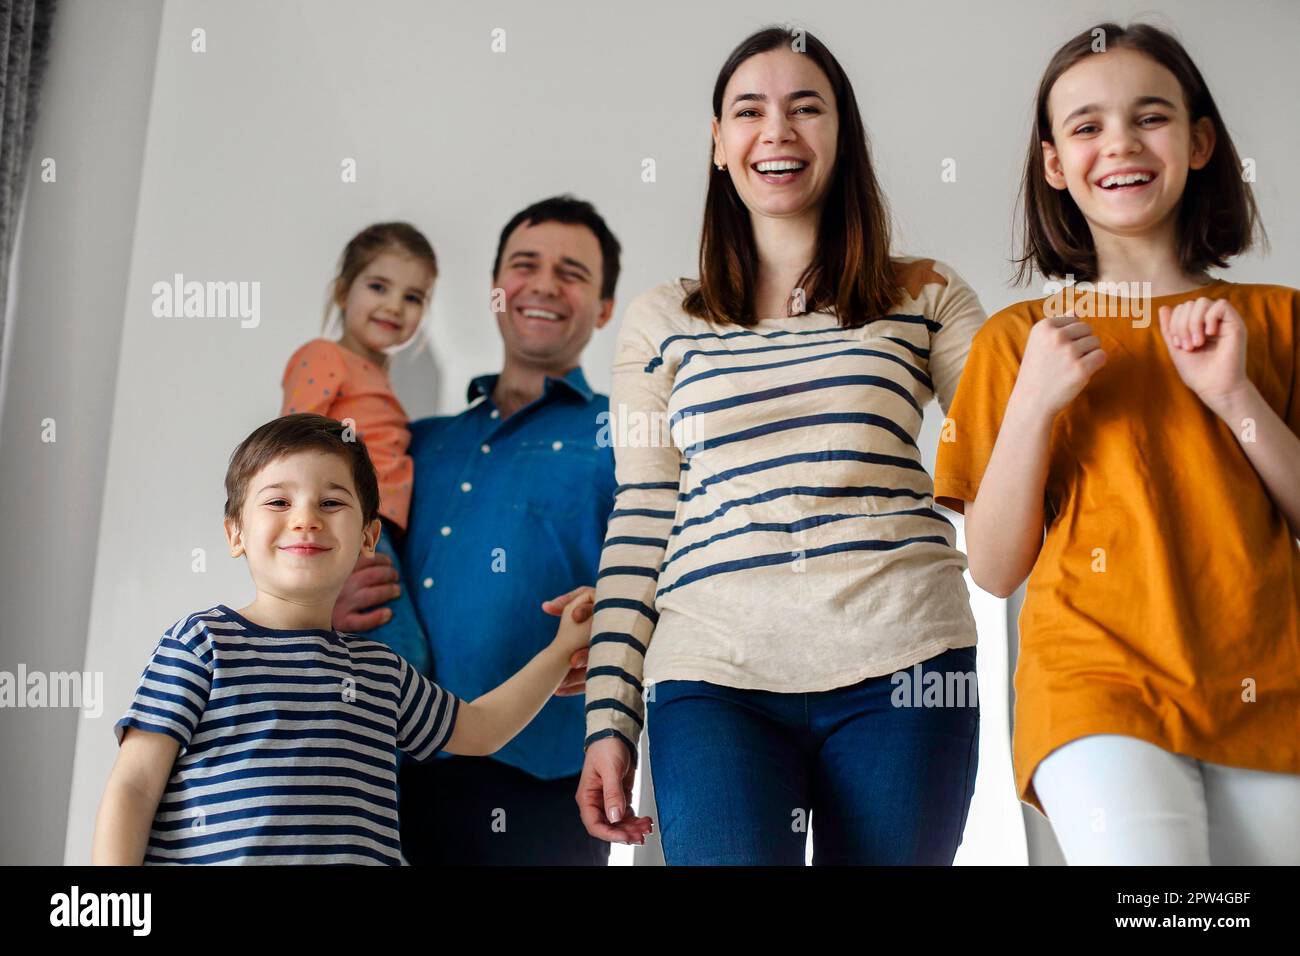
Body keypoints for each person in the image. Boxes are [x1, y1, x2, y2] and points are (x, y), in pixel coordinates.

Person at [579, 26, 986, 865]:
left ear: (842, 137)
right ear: (719, 146)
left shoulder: (926, 292)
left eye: (807, 108)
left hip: (906, 656)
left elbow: (1008, 448)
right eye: (749, 111)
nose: (778, 131)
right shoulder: (664, 319)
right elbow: (643, 514)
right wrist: (608, 717)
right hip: (713, 674)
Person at [934, 21, 1300, 865]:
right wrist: (1031, 406)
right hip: (1093, 688)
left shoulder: (1277, 321)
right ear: (1055, 164)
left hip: (1267, 686)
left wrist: (1233, 395)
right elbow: (992, 568)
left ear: (1201, 141)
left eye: (1152, 117)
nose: (1122, 144)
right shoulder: (1018, 340)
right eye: (1087, 125)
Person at [91, 413, 608, 864]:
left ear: (368, 537)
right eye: (277, 501)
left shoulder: (382, 673)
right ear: (235, 534)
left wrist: (562, 649)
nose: (306, 520)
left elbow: (482, 729)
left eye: (331, 502)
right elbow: (135, 784)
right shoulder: (202, 644)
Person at [332, 196, 632, 864]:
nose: (545, 284)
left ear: (605, 307)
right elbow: (319, 553)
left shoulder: (630, 438)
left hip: (543, 786)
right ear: (496, 291)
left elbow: (671, 587)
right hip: (383, 777)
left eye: (572, 272)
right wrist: (332, 602)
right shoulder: (412, 445)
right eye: (525, 265)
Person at [280, 221, 438, 677]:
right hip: (347, 520)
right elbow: (292, 443)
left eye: (413, 297)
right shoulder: (324, 356)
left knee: (393, 656)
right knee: (399, 657)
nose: (394, 305)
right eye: (378, 286)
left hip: (377, 528)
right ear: (343, 291)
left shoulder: (378, 381)